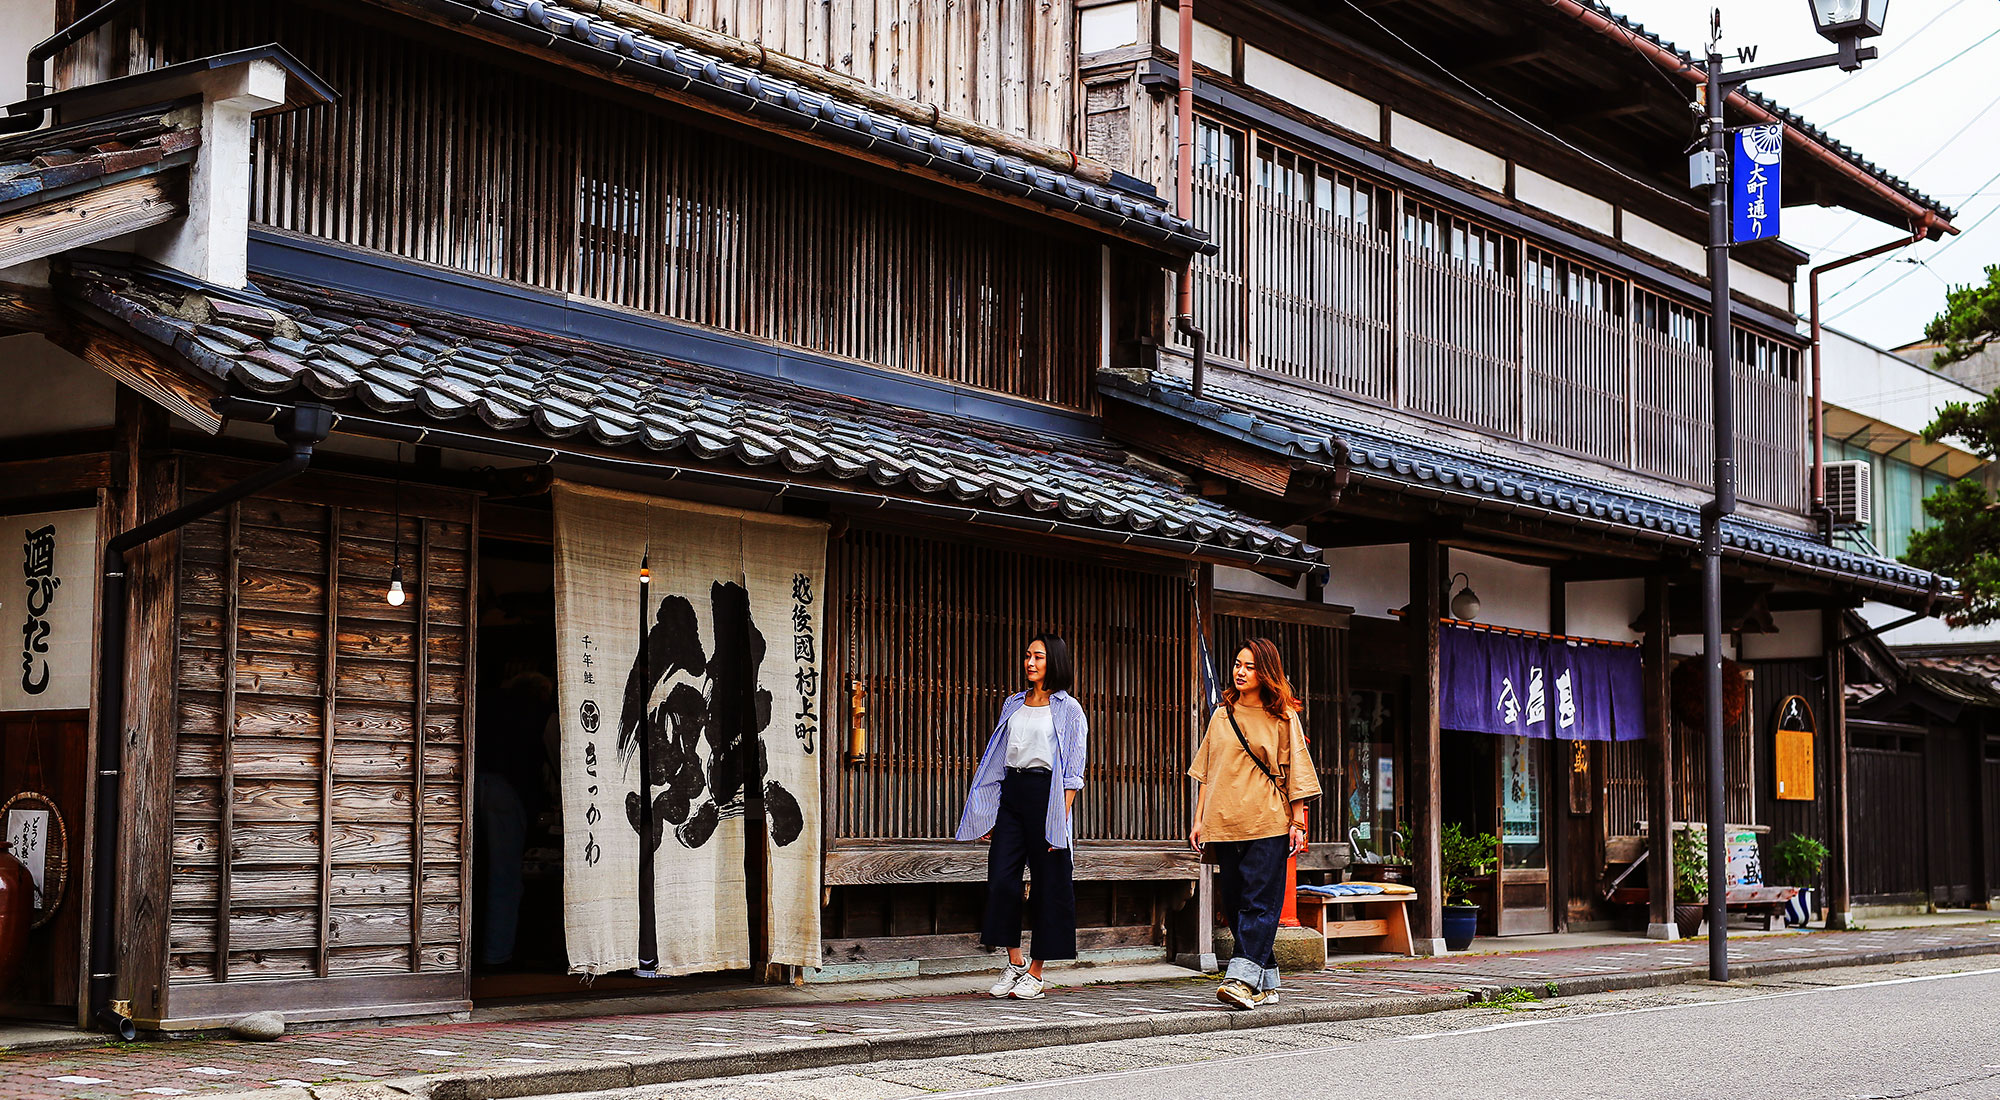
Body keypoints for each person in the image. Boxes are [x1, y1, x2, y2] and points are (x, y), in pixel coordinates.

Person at [1189, 636, 1320, 1010]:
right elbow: (1206, 772)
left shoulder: (1282, 717)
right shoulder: (1221, 715)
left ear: (1266, 672)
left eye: (1249, 666)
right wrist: (1199, 820)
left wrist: (1298, 822)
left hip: (1268, 821)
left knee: (1259, 904)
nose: (1240, 671)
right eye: (1237, 664)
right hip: (1225, 822)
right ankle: (1266, 982)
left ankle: (1241, 981)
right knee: (1233, 905)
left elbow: (1296, 770)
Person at [954, 633, 1088, 1000]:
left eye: (1039, 657)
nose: (1030, 663)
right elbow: (997, 761)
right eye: (1028, 656)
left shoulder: (1069, 709)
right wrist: (989, 813)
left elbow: (1074, 772)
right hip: (1012, 795)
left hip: (1048, 796)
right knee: (1001, 880)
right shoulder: (1013, 704)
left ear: (1054, 662)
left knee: (1049, 886)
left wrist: (1058, 821)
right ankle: (1014, 962)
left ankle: (1036, 971)